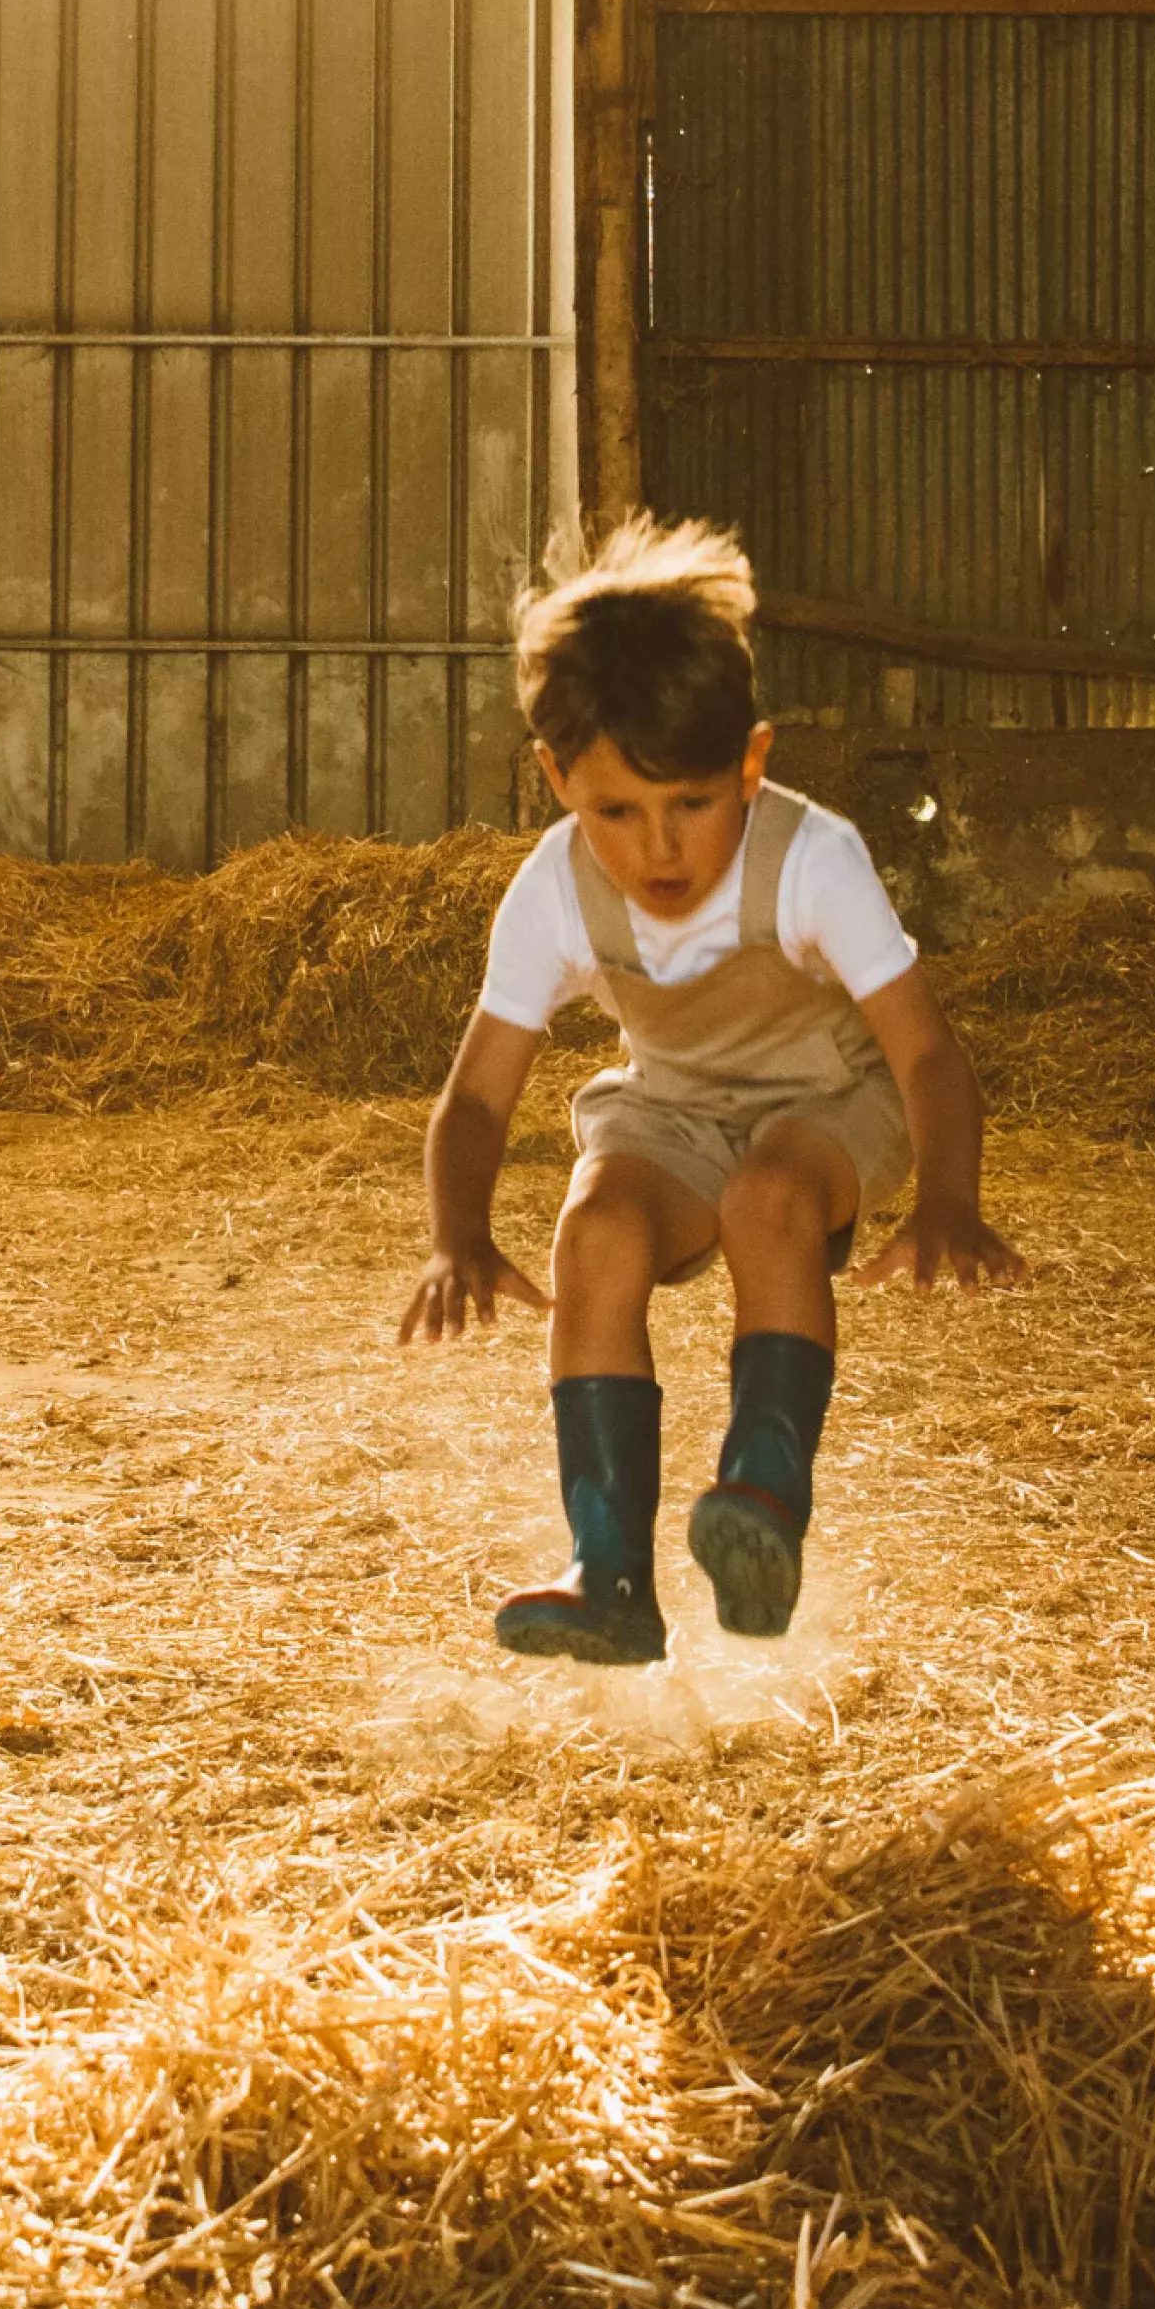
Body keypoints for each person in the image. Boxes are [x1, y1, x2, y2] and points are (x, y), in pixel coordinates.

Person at [399, 518, 1024, 1661]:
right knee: (590, 1234)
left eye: (691, 801)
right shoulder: (552, 891)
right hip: (673, 1104)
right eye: (615, 812)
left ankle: (764, 1500)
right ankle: (609, 1576)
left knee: (767, 1199)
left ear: (750, 759)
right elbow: (478, 1098)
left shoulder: (810, 858)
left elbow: (924, 1053)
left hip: (832, 1100)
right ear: (555, 779)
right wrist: (456, 1236)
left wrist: (947, 1201)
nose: (660, 850)